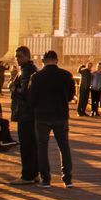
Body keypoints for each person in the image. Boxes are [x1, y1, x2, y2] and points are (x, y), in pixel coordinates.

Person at [27, 50, 75, 187]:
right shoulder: (66, 75)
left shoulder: (36, 77)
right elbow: (71, 96)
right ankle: (67, 179)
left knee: (42, 147)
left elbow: (31, 99)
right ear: (57, 60)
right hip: (61, 115)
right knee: (64, 146)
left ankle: (46, 179)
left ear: (43, 61)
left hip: (42, 116)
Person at [9, 46, 39, 185]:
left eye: (20, 56)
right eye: (16, 56)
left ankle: (27, 176)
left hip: (26, 114)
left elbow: (25, 92)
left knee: (27, 145)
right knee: (32, 145)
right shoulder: (28, 69)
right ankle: (34, 174)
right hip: (29, 114)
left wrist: (13, 88)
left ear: (27, 56)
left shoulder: (27, 71)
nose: (17, 59)